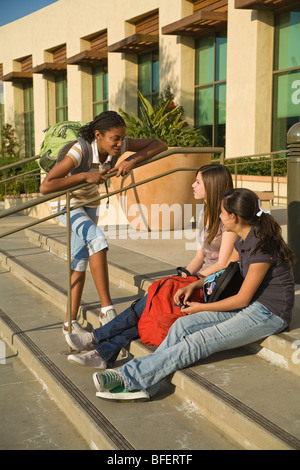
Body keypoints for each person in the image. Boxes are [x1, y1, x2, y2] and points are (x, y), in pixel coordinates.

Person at [91, 187, 295, 400]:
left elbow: (242, 298)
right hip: (251, 305)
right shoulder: (243, 238)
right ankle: (146, 383)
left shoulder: (261, 246)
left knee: (198, 341)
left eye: (223, 213)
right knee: (182, 325)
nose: (220, 217)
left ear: (234, 217)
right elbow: (229, 272)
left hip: (269, 314)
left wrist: (201, 308)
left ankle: (128, 376)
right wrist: (195, 284)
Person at [65, 164, 237, 368]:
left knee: (155, 300)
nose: (193, 185)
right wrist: (183, 275)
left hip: (212, 286)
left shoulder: (228, 218)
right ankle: (102, 352)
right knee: (154, 301)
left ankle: (97, 339)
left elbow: (223, 263)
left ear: (212, 185)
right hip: (198, 278)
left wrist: (190, 281)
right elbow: (200, 255)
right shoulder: (203, 213)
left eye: (198, 182)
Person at [39, 111, 167, 333]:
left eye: (122, 138)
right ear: (98, 135)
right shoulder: (79, 150)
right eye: (115, 139)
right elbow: (46, 186)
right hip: (66, 203)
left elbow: (160, 144)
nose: (119, 144)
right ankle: (106, 309)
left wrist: (133, 159)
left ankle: (70, 323)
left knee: (79, 261)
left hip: (90, 202)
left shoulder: (120, 145)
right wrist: (84, 176)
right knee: (98, 239)